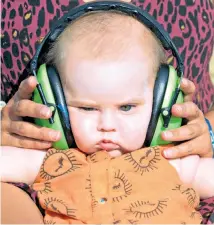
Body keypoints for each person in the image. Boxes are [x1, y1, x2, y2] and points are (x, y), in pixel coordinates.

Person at [1, 8, 214, 224]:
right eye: (87, 108)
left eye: (126, 107)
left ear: (162, 105)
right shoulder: (53, 163)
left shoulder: (171, 161)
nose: (107, 125)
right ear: (56, 106)